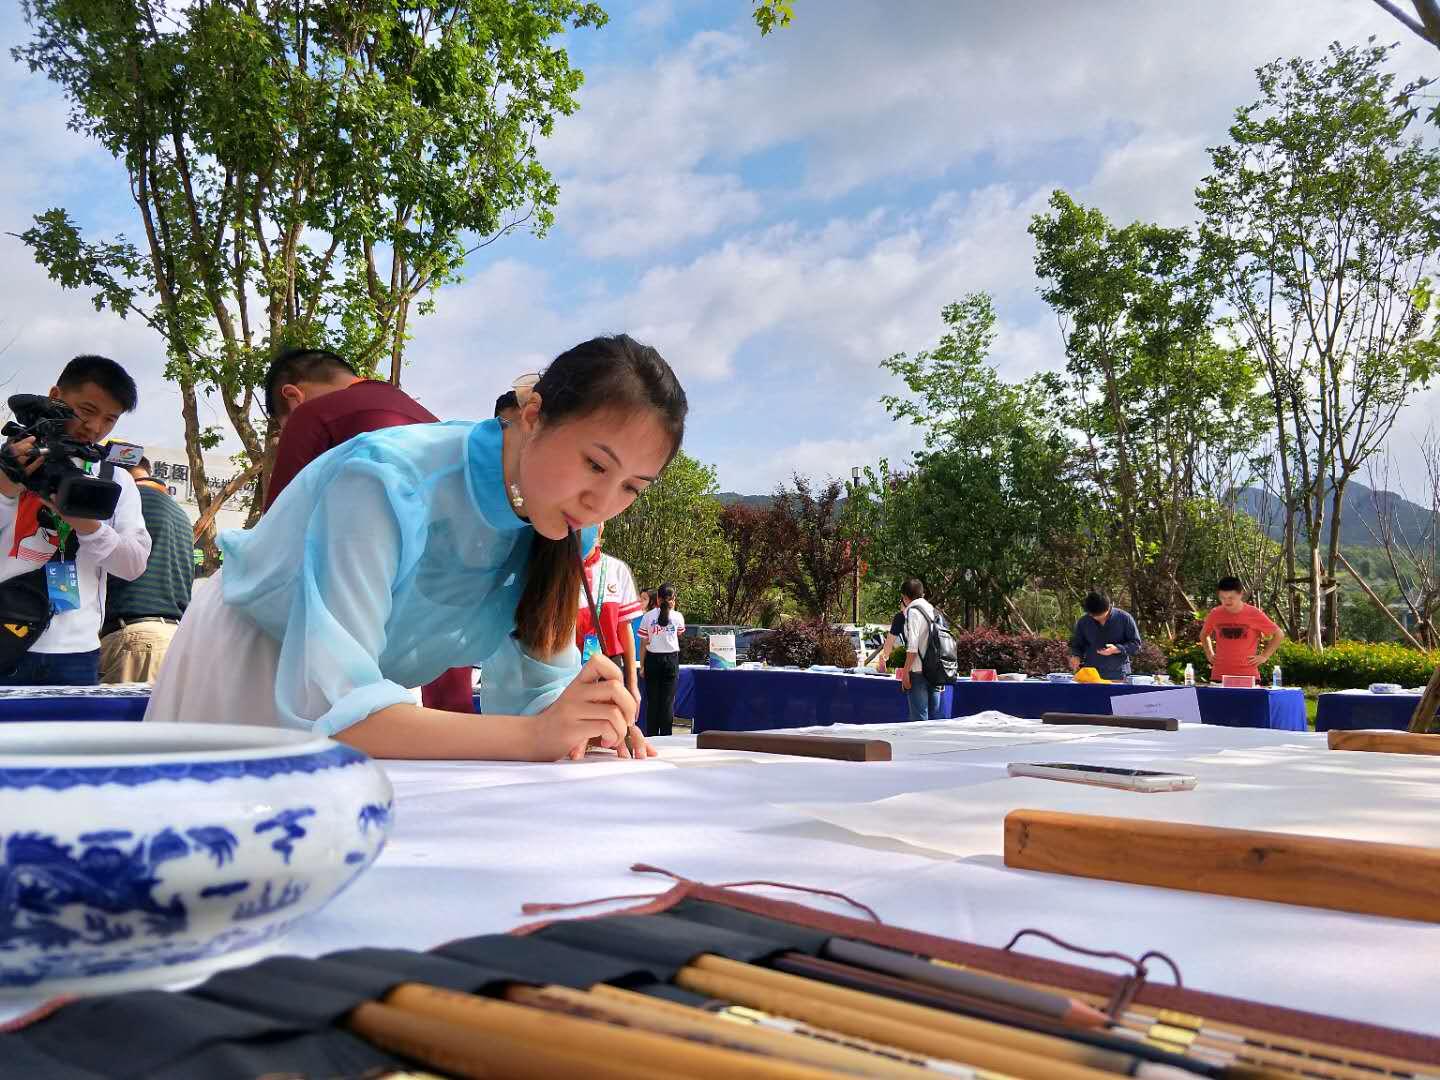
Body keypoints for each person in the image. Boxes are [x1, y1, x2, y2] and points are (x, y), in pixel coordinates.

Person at [146, 335, 685, 763]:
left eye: (632, 487)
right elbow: (337, 714)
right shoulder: (387, 480)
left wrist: (586, 723)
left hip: (373, 707)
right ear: (534, 414)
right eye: (596, 464)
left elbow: (533, 692)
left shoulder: (565, 525)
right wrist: (536, 735)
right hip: (257, 661)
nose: (602, 502)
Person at [261, 347, 473, 713]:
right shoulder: (438, 427)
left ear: (293, 395)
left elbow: (275, 541)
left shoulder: (314, 415)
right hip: (443, 618)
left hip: (344, 618)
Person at [0, 356, 151, 686]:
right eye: (86, 410)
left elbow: (133, 564)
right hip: (5, 639)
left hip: (76, 653)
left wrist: (87, 524)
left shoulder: (115, 479)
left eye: (110, 419)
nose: (95, 428)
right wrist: (6, 487)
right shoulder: (11, 460)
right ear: (56, 395)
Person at [100, 458, 195, 683]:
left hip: (134, 641)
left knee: (119, 718)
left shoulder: (127, 502)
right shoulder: (180, 513)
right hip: (172, 639)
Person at [575, 523, 644, 702]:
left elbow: (624, 630)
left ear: (601, 527)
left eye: (594, 522)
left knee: (611, 726)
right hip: (569, 667)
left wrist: (632, 685)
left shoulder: (617, 569)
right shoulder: (558, 572)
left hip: (610, 664)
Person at [1201, 576, 1285, 682]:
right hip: (1219, 676)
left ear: (1240, 594)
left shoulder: (1254, 613)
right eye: (1222, 598)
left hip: (1248, 676)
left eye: (1231, 598)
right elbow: (1204, 634)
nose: (1227, 601)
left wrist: (1264, 656)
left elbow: (1279, 634)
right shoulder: (1215, 613)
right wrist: (1209, 653)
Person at [637, 583, 684, 736]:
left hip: (652, 660)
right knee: (668, 702)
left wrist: (642, 665)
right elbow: (678, 634)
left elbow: (644, 643)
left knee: (652, 702)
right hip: (671, 660)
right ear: (673, 600)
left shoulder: (647, 617)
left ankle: (650, 737)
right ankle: (666, 737)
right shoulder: (678, 617)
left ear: (657, 599)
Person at [1067, 591, 1142, 681]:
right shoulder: (1083, 622)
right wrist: (1076, 656)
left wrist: (1117, 649)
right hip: (1090, 676)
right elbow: (1077, 645)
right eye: (1093, 616)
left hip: (1118, 676)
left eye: (1100, 615)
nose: (1097, 618)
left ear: (1109, 607)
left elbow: (1136, 644)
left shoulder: (1124, 618)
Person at [898, 578, 942, 722]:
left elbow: (912, 647)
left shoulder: (912, 611)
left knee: (919, 722)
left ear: (905, 597)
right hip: (936, 670)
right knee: (934, 721)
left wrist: (905, 672)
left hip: (918, 672)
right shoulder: (933, 610)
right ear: (922, 593)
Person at [874, 604, 906, 673]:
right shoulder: (929, 611)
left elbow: (888, 645)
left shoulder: (901, 617)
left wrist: (884, 658)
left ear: (905, 598)